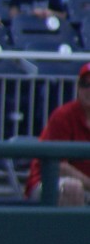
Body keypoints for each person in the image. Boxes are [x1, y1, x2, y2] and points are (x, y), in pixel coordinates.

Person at [24, 63, 90, 206]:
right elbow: (59, 167)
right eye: (85, 84)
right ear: (78, 87)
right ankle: (70, 230)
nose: (88, 90)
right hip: (48, 183)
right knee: (72, 188)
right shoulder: (64, 115)